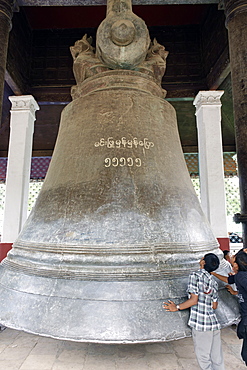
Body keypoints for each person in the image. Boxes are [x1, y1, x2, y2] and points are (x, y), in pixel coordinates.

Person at [163, 253, 225, 370]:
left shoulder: (195, 276)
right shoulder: (214, 282)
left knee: (203, 357)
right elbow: (214, 305)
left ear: (203, 262)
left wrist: (176, 307)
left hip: (201, 324)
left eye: (202, 258)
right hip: (213, 323)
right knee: (217, 357)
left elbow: (194, 300)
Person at [212, 251, 247, 366]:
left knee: (246, 354)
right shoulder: (240, 276)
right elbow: (228, 280)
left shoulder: (242, 276)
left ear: (239, 264)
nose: (232, 266)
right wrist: (213, 273)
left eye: (233, 264)